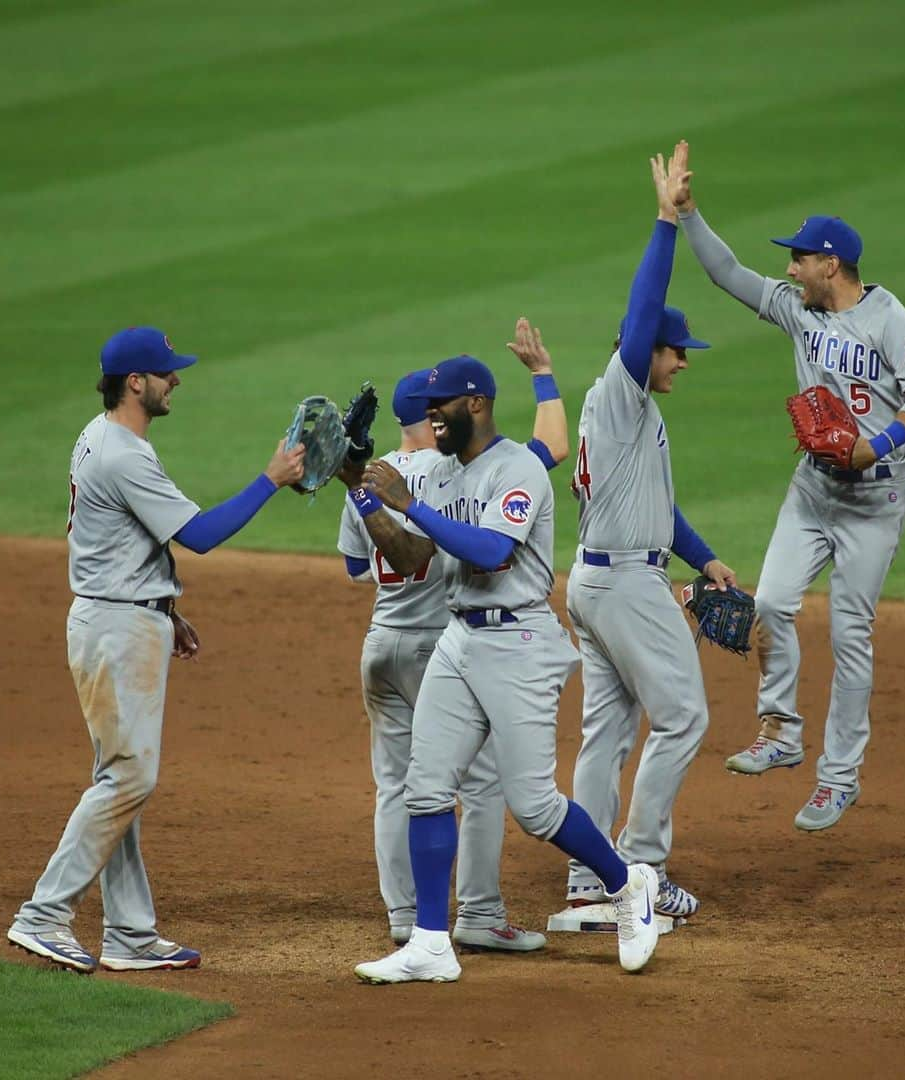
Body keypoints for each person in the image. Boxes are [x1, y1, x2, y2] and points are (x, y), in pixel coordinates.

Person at [350, 349, 662, 984]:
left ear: (478, 404)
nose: (430, 414)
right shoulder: (437, 474)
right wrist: (358, 487)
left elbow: (492, 551)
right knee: (426, 788)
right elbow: (413, 559)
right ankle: (431, 942)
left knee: (535, 807)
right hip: (458, 639)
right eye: (428, 405)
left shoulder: (518, 469)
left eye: (441, 404)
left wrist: (411, 504)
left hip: (518, 642)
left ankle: (628, 884)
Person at [667, 140, 905, 831]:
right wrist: (689, 214)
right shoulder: (798, 308)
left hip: (874, 499)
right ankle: (781, 733)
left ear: (833, 265)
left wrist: (874, 443)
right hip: (813, 490)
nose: (789, 268)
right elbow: (728, 274)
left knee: (851, 635)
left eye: (800, 258)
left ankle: (839, 777)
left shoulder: (889, 317)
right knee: (771, 607)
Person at [7, 326, 305, 973]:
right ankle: (44, 914)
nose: (178, 380)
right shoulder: (124, 455)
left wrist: (165, 607)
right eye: (167, 372)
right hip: (114, 629)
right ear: (135, 382)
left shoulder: (103, 435)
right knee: (129, 777)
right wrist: (271, 479)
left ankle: (131, 934)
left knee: (121, 779)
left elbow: (125, 542)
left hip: (120, 616)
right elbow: (200, 534)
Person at [337, 318, 568, 952]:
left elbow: (364, 566)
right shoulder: (442, 473)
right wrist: (544, 378)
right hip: (446, 644)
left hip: (382, 640)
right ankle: (478, 913)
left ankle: (407, 919)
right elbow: (551, 447)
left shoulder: (379, 477)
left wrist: (350, 478)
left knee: (401, 785)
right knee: (485, 784)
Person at [562, 146, 736, 921]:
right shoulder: (621, 391)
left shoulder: (633, 416)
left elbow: (658, 515)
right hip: (625, 586)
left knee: (608, 732)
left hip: (600, 582)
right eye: (676, 350)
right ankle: (639, 871)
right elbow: (640, 313)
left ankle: (590, 878)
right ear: (644, 352)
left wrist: (704, 558)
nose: (683, 364)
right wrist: (666, 222)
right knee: (685, 717)